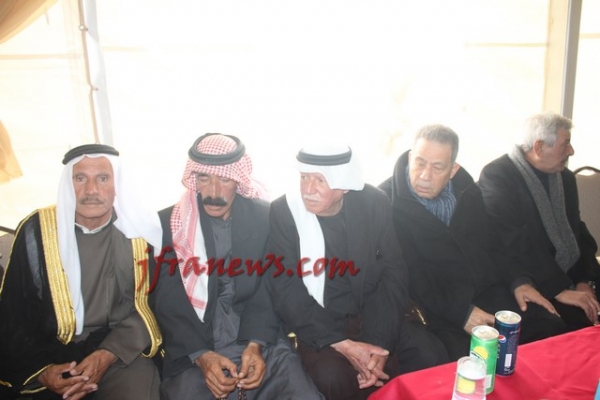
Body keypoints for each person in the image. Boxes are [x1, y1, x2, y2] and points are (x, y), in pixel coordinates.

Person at [267, 143, 448, 400]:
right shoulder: (285, 212)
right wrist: (344, 345)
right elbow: (286, 289)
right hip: (320, 322)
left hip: (373, 313)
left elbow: (393, 273)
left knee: (428, 353)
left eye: (319, 180)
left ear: (343, 185)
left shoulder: (374, 203)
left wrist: (378, 344)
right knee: (332, 377)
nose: (308, 189)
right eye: (304, 177)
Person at [149, 133, 323, 400]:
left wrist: (255, 345)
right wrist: (202, 356)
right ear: (194, 178)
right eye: (204, 179)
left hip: (260, 342)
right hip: (195, 352)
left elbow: (269, 289)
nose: (213, 193)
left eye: (224, 179)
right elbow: (168, 301)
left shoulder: (265, 217)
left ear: (239, 179)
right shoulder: (169, 224)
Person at [379, 124, 567, 360]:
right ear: (410, 158)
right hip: (439, 308)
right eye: (419, 163)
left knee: (550, 328)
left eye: (437, 167)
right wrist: (462, 313)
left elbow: (493, 243)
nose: (425, 175)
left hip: (488, 291)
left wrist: (519, 281)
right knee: (471, 360)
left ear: (453, 170)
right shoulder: (386, 203)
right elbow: (410, 274)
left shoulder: (468, 191)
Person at [0, 144, 163, 400]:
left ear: (117, 184)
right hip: (50, 354)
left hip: (120, 349)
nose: (91, 190)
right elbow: (13, 312)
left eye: (103, 178)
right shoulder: (37, 231)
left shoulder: (141, 231)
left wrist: (108, 354)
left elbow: (155, 306)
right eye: (80, 178)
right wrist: (43, 372)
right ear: (68, 183)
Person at [478, 112, 600, 329]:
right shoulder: (497, 176)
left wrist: (584, 281)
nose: (571, 151)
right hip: (529, 279)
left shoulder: (566, 178)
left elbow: (578, 233)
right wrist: (559, 289)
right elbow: (514, 241)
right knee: (573, 326)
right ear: (539, 147)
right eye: (565, 144)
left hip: (570, 275)